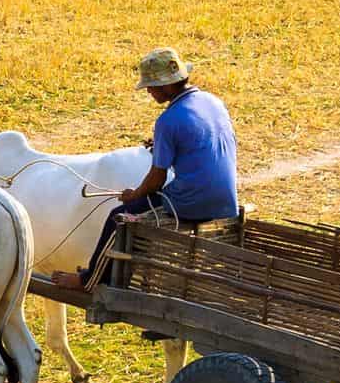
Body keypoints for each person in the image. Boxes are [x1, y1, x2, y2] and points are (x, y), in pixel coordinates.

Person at [52, 47, 239, 289]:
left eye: (151, 86)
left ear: (167, 86)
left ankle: (89, 280)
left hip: (191, 202)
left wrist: (135, 193)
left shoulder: (168, 121)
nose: (148, 91)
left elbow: (156, 179)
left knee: (117, 219)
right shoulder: (213, 103)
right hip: (227, 198)